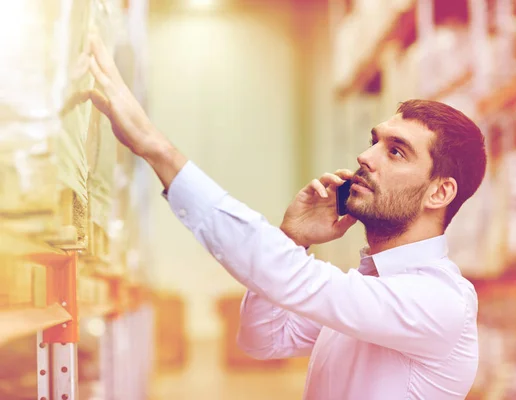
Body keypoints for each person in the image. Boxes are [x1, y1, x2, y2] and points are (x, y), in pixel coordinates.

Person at [85, 34, 486, 400]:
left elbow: (295, 280)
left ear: (440, 191)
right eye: (374, 141)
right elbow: (264, 339)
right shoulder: (369, 286)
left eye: (396, 151)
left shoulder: (439, 302)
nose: (366, 157)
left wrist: (156, 148)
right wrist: (292, 238)